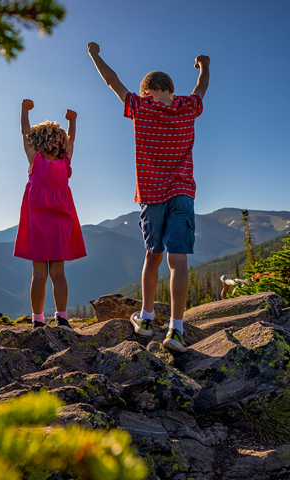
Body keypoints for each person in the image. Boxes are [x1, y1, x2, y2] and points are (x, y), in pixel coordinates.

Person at [88, 42, 210, 352]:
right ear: (170, 88)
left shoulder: (141, 108)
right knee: (178, 260)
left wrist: (94, 54)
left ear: (146, 93)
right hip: (183, 193)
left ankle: (145, 318)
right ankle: (177, 330)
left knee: (152, 256)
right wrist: (204, 64)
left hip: (152, 195)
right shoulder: (188, 108)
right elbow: (201, 86)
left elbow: (112, 81)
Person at [14, 99, 87, 329]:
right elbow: (72, 138)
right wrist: (72, 121)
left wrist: (24, 111)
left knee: (38, 273)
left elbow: (25, 132)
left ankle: (38, 320)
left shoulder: (34, 159)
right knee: (58, 271)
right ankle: (62, 317)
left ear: (38, 142)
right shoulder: (65, 162)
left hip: (37, 221)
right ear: (60, 143)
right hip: (61, 222)